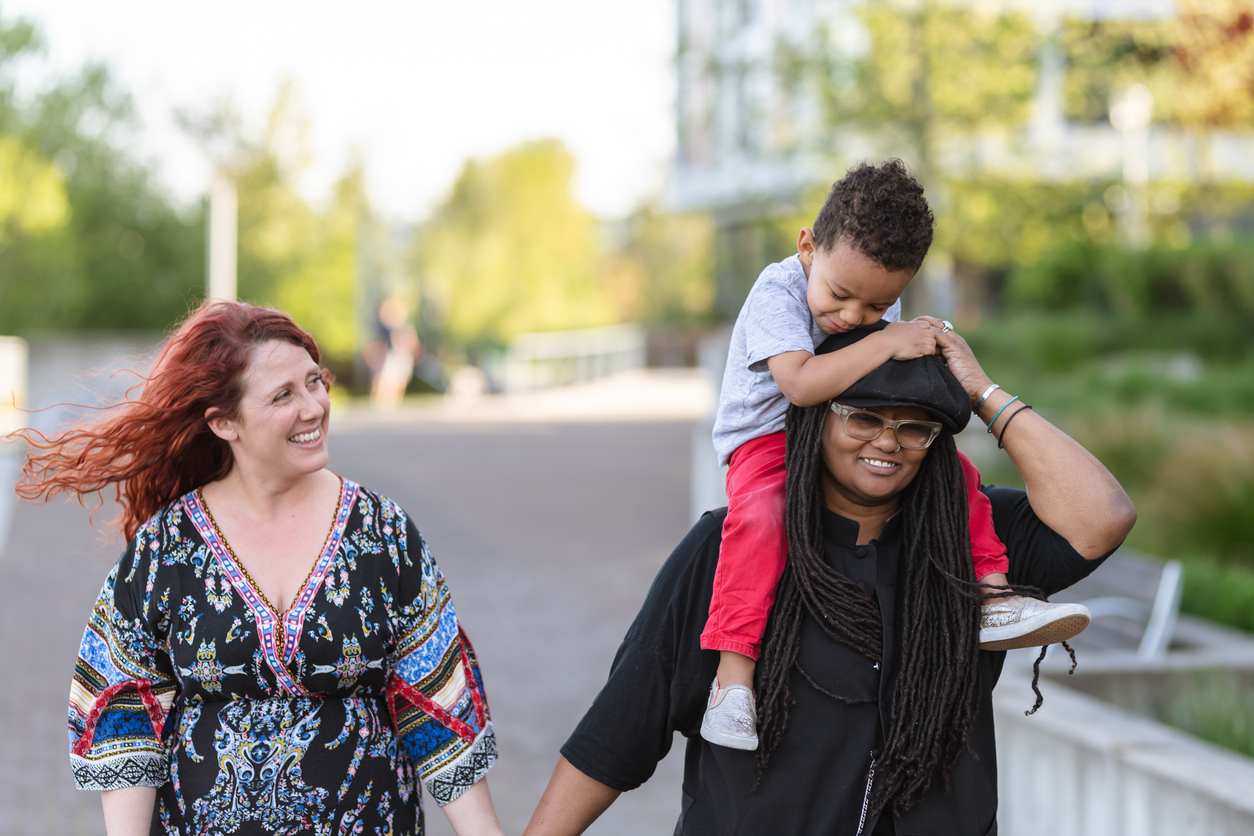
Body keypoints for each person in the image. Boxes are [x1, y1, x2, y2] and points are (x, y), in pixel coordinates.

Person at [522, 321, 1136, 836]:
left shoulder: (974, 545)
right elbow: (618, 734)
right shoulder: (729, 548)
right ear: (816, 418)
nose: (888, 443)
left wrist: (980, 391)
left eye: (915, 426)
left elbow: (1102, 517)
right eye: (863, 418)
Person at [16, 302, 503, 836]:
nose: (314, 407)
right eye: (283, 396)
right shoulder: (166, 548)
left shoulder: (383, 533)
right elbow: (123, 713)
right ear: (225, 422)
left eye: (314, 382)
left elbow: (440, 704)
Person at [702, 159, 1088, 750]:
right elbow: (801, 385)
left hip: (836, 438)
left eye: (878, 306)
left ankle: (993, 594)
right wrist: (885, 339)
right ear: (808, 246)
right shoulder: (775, 294)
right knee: (761, 517)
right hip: (767, 441)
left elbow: (886, 377)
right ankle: (733, 678)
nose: (852, 317)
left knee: (956, 472)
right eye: (840, 295)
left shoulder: (873, 305)